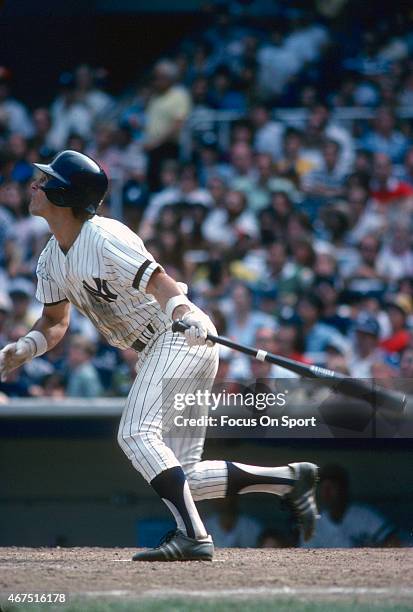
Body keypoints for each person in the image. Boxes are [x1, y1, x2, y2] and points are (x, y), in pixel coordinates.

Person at [0, 150, 318, 562]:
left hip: (178, 334)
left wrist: (186, 312)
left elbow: (160, 282)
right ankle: (290, 480)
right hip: (158, 347)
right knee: (180, 473)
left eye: (45, 180)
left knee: (135, 434)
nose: (35, 184)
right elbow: (54, 322)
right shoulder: (50, 257)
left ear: (63, 194)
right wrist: (25, 348)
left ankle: (193, 537)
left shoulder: (105, 237)